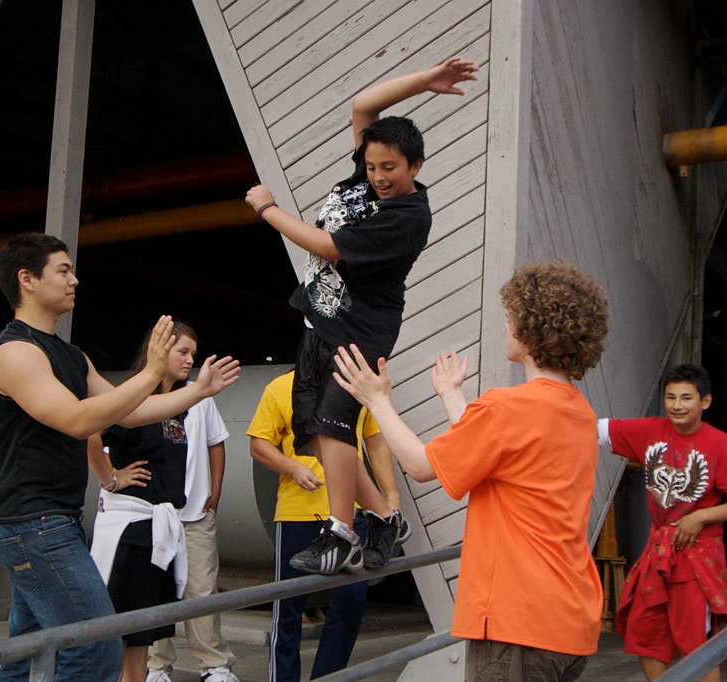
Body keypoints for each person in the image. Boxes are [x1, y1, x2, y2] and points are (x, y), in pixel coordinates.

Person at [245, 57, 478, 575]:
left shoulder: (407, 216)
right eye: (371, 167)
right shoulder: (367, 176)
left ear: (415, 167)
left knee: (335, 423)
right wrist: (424, 79)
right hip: (318, 320)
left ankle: (342, 532)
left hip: (359, 330)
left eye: (389, 169)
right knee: (314, 433)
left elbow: (329, 247)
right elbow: (363, 106)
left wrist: (268, 209)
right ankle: (386, 518)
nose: (377, 178)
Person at [332, 261, 609, 681]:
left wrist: (377, 400)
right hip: (569, 619)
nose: (505, 325)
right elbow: (492, 456)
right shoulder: (579, 413)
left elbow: (422, 466)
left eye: (512, 317)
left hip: (517, 622)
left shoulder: (507, 408)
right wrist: (452, 396)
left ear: (529, 330)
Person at [0, 233, 239, 681]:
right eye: (62, 270)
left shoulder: (72, 356)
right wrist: (153, 373)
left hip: (54, 520)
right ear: (27, 280)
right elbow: (78, 421)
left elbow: (131, 412)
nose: (74, 279)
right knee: (96, 647)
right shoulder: (14, 353)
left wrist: (197, 391)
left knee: (28, 651)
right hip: (32, 522)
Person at [89, 322, 239, 682]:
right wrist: (110, 477)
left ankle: (199, 666)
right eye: (182, 352)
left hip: (167, 521)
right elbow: (91, 429)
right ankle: (150, 670)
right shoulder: (131, 395)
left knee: (150, 625)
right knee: (124, 629)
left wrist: (212, 495)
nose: (190, 360)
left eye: (193, 353)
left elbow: (213, 444)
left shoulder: (186, 402)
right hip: (133, 527)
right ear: (159, 351)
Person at [598, 364, 727, 682]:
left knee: (696, 646)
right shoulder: (650, 430)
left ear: (705, 401)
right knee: (645, 637)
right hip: (657, 553)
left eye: (686, 397)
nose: (676, 405)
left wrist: (700, 516)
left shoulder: (721, 444)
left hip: (695, 558)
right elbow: (597, 429)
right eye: (671, 397)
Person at [247, 370, 401, 682]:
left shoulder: (355, 386)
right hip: (296, 514)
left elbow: (375, 440)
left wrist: (392, 495)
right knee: (287, 611)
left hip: (349, 516)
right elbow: (259, 444)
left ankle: (327, 677)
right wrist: (293, 467)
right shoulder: (280, 387)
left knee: (349, 608)